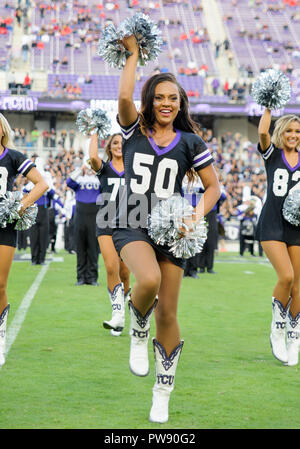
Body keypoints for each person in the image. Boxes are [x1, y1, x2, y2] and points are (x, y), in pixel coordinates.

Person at [113, 35, 221, 423]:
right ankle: (137, 329)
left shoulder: (191, 141)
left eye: (173, 98)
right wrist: (134, 56)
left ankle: (163, 393)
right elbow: (124, 99)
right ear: (150, 99)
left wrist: (195, 215)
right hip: (130, 221)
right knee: (147, 279)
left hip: (171, 229)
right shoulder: (134, 130)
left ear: (180, 103)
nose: (166, 104)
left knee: (170, 315)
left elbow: (214, 188)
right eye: (159, 97)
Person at [0, 114, 48, 366]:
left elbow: (41, 184)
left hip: (3, 225)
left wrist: (19, 207)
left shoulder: (13, 156)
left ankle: (0, 336)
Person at [257, 109, 300, 366]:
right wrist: (269, 106)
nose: (293, 135)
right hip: (272, 223)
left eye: (297, 132)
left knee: (298, 286)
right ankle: (278, 328)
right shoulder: (272, 155)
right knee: (286, 276)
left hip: (297, 226)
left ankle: (294, 337)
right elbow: (262, 131)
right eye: (289, 131)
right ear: (281, 132)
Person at [89, 132, 131, 337]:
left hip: (130, 224)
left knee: (125, 273)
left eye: (122, 143)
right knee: (111, 266)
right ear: (110, 147)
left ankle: (122, 308)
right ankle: (117, 315)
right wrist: (94, 132)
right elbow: (93, 158)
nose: (119, 146)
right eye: (115, 143)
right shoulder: (104, 168)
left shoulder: (135, 168)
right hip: (106, 222)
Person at [66, 162, 100, 286]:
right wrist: (81, 168)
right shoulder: (79, 179)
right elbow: (69, 182)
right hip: (80, 215)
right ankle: (80, 277)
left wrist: (97, 170)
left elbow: (106, 184)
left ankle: (92, 278)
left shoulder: (99, 179)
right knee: (80, 248)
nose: (90, 169)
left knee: (93, 248)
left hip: (94, 216)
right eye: (88, 166)